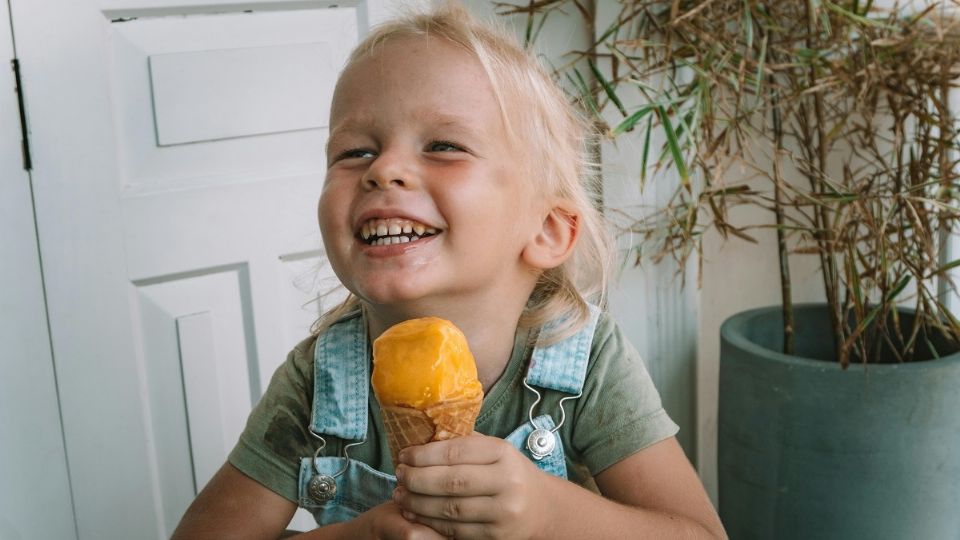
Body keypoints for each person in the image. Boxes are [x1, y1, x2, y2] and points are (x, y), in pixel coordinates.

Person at [171, 3, 726, 539]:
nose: (384, 169)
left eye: (443, 146)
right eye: (354, 152)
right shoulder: (318, 382)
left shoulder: (587, 368)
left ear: (548, 230)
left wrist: (550, 514)